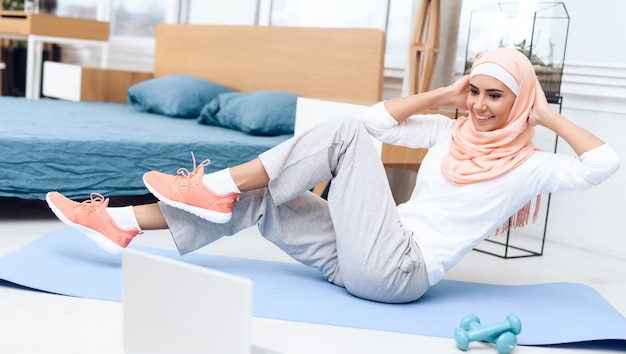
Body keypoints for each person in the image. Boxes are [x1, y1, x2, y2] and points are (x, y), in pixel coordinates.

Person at [46, 48, 621, 304]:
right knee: (268, 193)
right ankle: (118, 223)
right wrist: (445, 92)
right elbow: (378, 122)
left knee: (341, 133)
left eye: (496, 96)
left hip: (400, 272)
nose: (480, 105)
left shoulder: (530, 165)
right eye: (475, 91)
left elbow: (603, 164)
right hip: (362, 255)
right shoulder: (451, 133)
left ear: (520, 103)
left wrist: (544, 115)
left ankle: (215, 184)